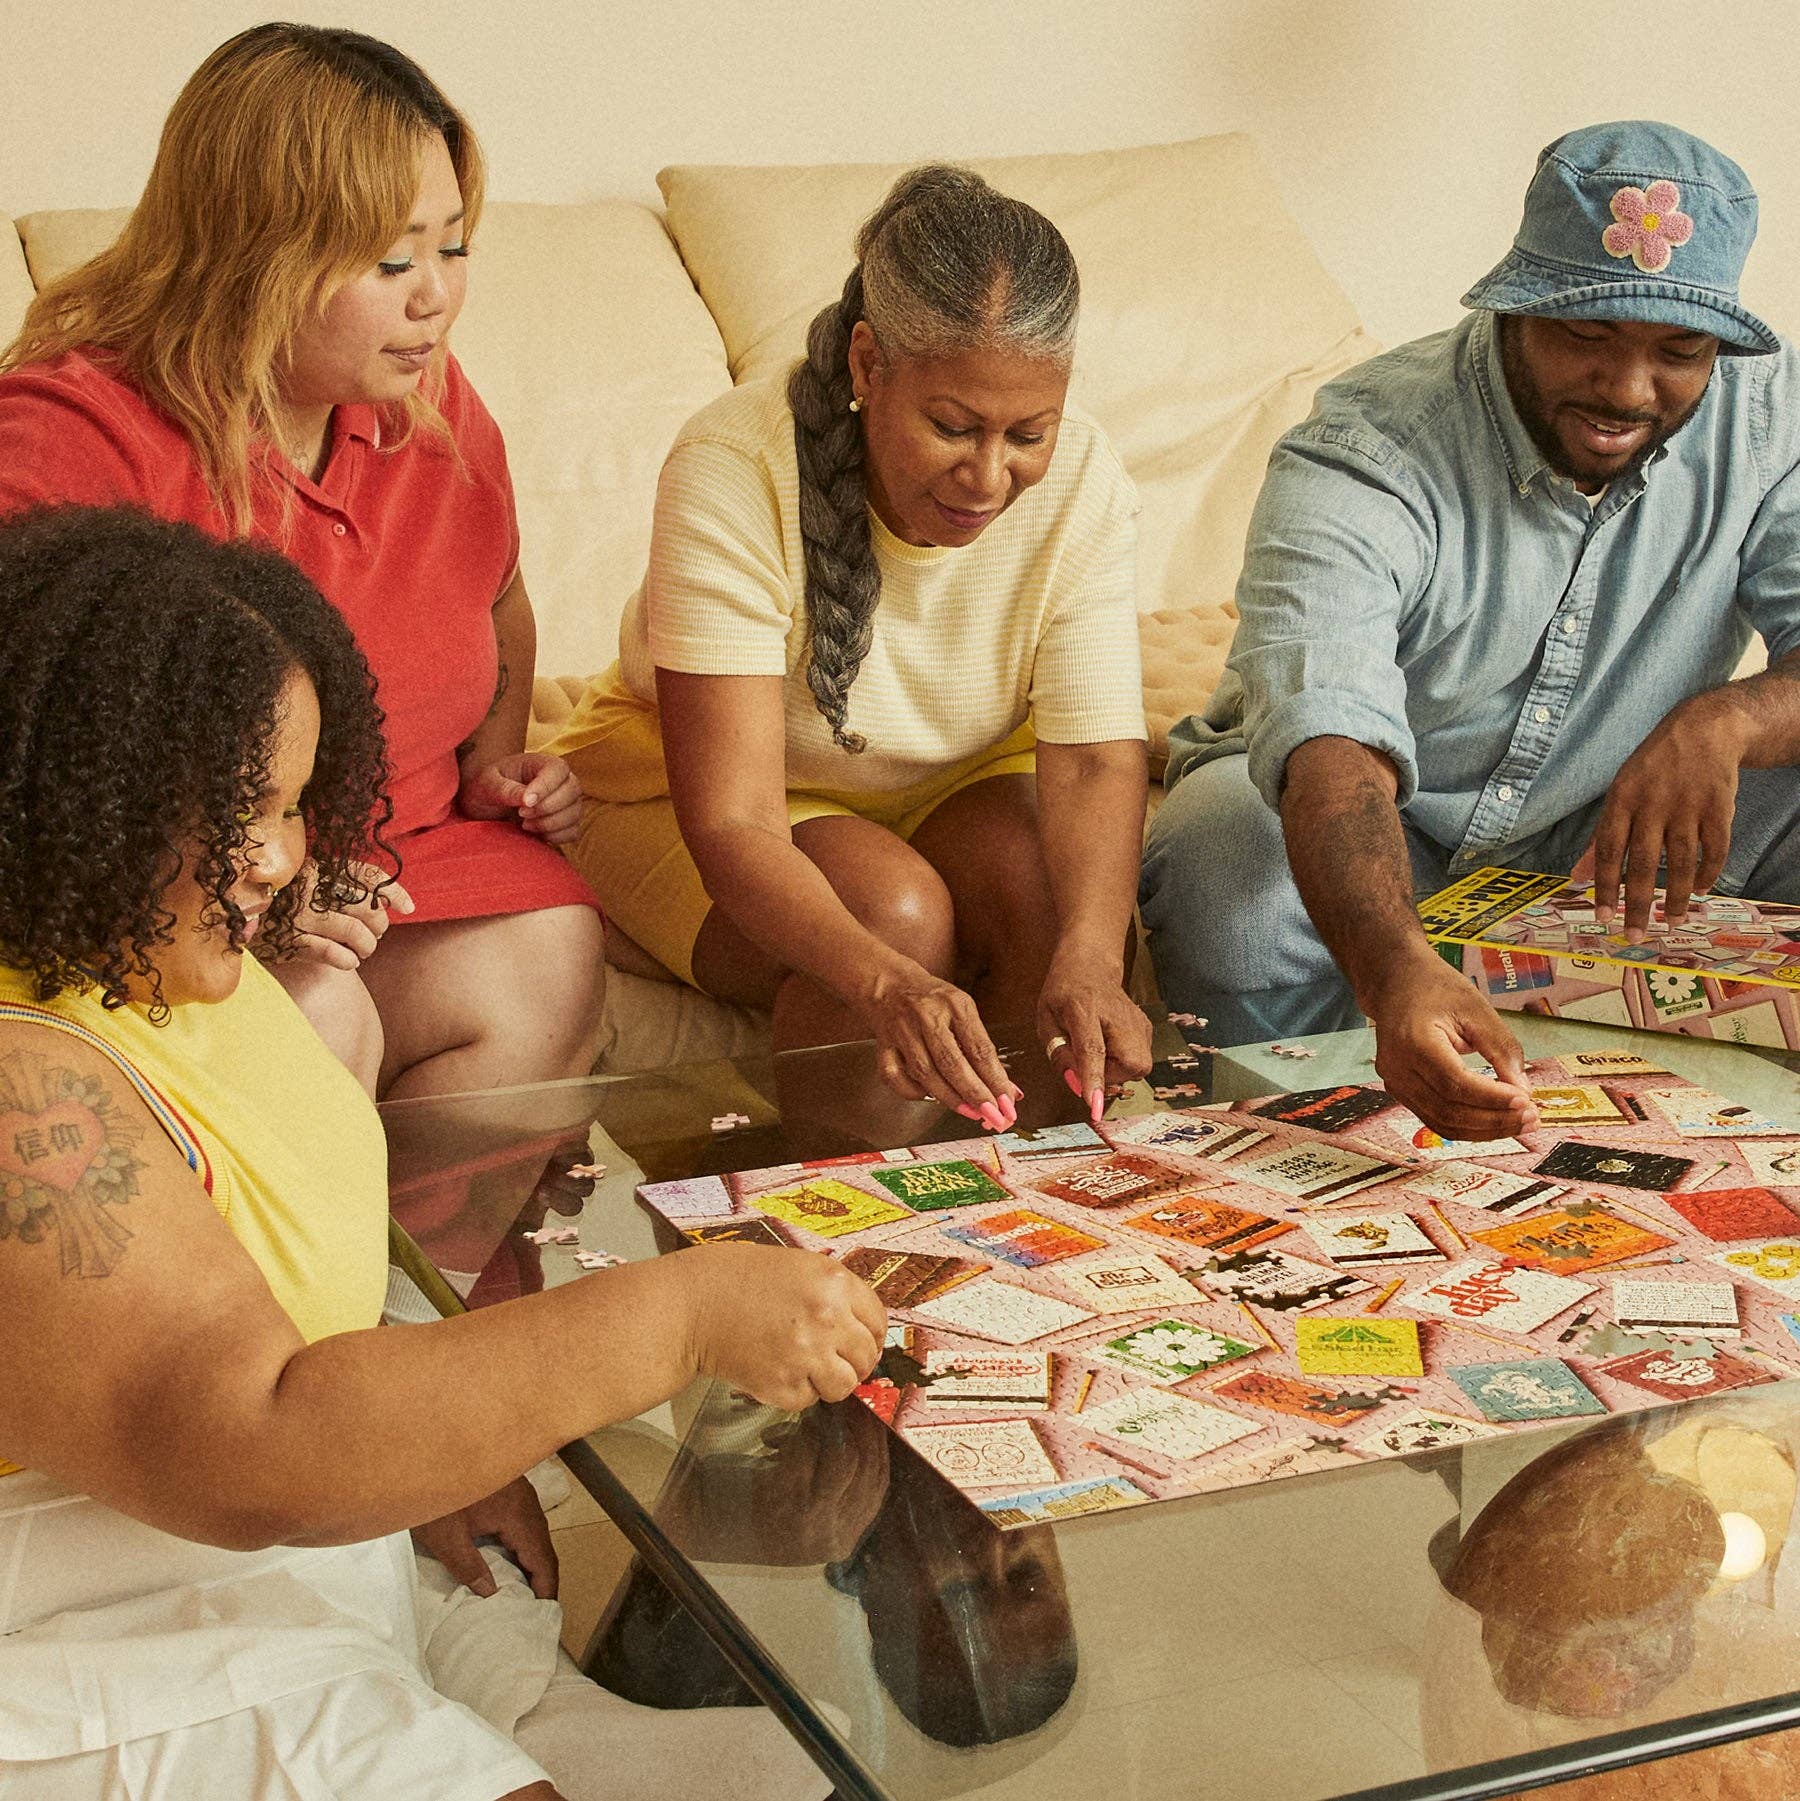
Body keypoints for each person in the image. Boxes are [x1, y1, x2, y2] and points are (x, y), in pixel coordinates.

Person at [0, 506, 883, 1800]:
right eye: (245, 809)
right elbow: (257, 1444)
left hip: (297, 1580)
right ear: (81, 794)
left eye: (295, 803)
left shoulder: (168, 964)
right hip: (107, 1643)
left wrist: (438, 1454)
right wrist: (680, 1316)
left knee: (792, 1770)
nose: (284, 856)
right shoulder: (25, 1096)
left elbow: (295, 1276)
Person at [1141, 120, 1800, 1140]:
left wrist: (1728, 720)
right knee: (1223, 847)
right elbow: (1330, 743)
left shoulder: (1767, 417)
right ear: (1517, 308)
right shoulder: (1363, 446)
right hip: (1381, 824)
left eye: (1679, 351)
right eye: (1588, 335)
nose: (1630, 390)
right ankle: (1283, 1143)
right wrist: (1395, 969)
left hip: (1605, 831)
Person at [0, 25, 604, 1100]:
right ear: (255, 254)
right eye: (392, 261)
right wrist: (251, 891)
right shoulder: (71, 435)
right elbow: (38, 766)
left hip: (395, 863)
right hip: (169, 908)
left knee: (549, 948)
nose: (436, 296)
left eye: (453, 247)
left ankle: (427, 1222)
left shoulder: (429, 402)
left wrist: (491, 759)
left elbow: (498, 596)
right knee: (319, 1008)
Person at [548, 166, 1153, 1128]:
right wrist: (885, 983)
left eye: (1027, 434)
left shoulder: (1085, 479)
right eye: (952, 427)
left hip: (949, 782)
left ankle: (1039, 1208)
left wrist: (1093, 958)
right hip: (688, 792)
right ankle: (830, 1212)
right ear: (869, 367)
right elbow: (736, 819)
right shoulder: (733, 465)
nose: (989, 476)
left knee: (1053, 906)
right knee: (892, 914)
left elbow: (1090, 760)